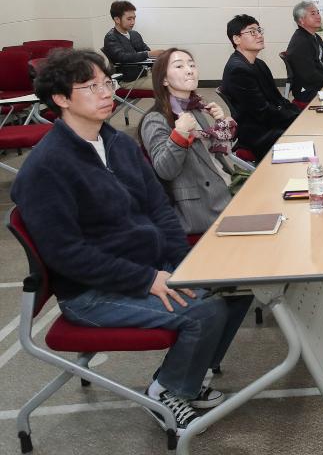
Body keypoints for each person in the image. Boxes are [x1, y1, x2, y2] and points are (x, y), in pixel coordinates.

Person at [10, 49, 252, 435]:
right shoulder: (46, 167)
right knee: (203, 311)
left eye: (107, 83)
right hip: (93, 292)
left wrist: (184, 263)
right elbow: (67, 254)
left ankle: (191, 376)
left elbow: (159, 210)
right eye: (91, 87)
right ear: (60, 98)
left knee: (237, 287)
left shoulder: (118, 145)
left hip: (146, 266)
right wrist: (147, 279)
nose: (107, 93)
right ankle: (166, 391)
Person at [140, 48, 238, 235]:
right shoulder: (155, 120)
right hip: (201, 207)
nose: (189, 70)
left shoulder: (195, 109)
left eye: (192, 65)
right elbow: (165, 170)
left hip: (225, 186)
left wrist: (220, 124)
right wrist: (179, 134)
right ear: (164, 80)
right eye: (179, 66)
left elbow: (214, 157)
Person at [221, 14, 299, 160]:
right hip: (258, 134)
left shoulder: (258, 63)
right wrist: (296, 118)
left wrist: (298, 113)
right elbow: (262, 112)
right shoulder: (238, 70)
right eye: (252, 32)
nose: (259, 35)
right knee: (310, 133)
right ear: (236, 39)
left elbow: (278, 100)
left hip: (268, 123)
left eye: (259, 30)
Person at [102, 0, 164, 88]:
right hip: (129, 81)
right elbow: (123, 57)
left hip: (145, 74)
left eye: (134, 18)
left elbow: (145, 50)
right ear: (117, 19)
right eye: (129, 19)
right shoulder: (111, 38)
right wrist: (148, 54)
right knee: (165, 86)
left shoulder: (134, 34)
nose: (133, 22)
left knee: (173, 81)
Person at [284, 0, 323, 103]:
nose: (318, 16)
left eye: (318, 12)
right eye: (313, 14)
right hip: (307, 91)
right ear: (301, 20)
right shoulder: (300, 42)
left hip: (319, 84)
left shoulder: (316, 37)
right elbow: (309, 75)